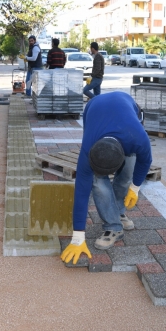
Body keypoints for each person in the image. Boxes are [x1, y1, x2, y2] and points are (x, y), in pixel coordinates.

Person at [60, 91, 152, 264]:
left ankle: (117, 212)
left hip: (126, 107)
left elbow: (146, 161)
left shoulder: (138, 138)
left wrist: (135, 187)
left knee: (127, 174)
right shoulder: (89, 149)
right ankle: (113, 226)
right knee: (96, 181)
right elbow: (81, 193)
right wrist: (78, 237)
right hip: (94, 109)